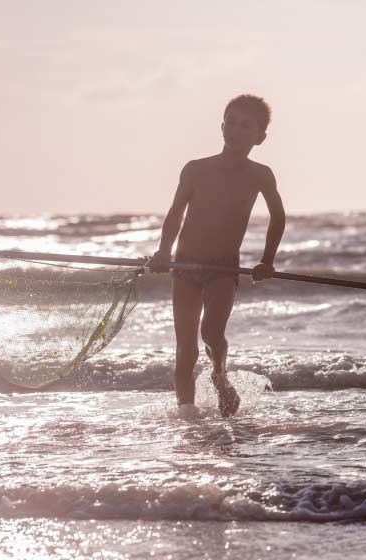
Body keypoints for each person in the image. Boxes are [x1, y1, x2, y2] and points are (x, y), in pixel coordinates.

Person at [148, 94, 286, 417]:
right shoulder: (195, 170)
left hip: (223, 269)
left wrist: (267, 261)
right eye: (232, 122)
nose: (236, 131)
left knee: (211, 333)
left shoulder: (260, 175)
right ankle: (187, 417)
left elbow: (278, 217)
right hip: (184, 266)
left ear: (260, 137)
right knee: (186, 349)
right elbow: (175, 214)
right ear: (222, 126)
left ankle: (220, 376)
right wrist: (163, 253)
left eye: (246, 126)